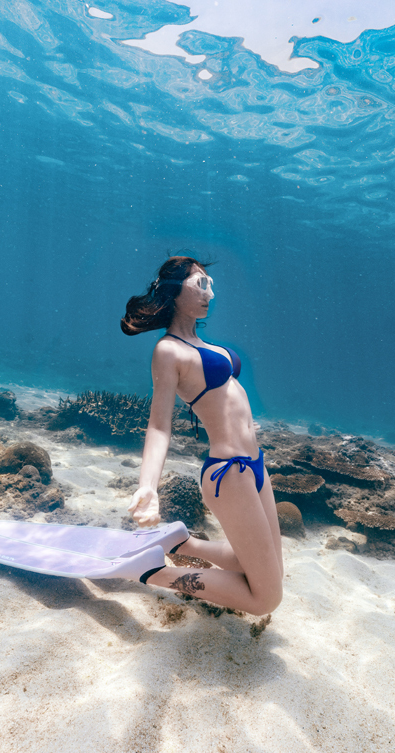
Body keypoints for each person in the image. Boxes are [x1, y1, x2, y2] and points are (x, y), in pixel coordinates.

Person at [120, 256, 283, 616]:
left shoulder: (204, 344)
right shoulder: (168, 350)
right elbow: (159, 424)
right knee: (266, 599)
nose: (210, 293)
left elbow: (226, 399)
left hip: (255, 465)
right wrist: (148, 486)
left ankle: (181, 541)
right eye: (200, 283)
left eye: (211, 284)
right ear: (174, 290)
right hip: (229, 473)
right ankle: (151, 572)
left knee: (261, 567)